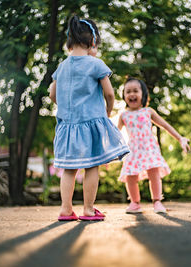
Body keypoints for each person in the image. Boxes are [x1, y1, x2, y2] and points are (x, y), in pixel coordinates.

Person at [49, 15, 129, 221]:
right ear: (92, 42)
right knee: (92, 165)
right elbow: (109, 93)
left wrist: (67, 108)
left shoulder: (62, 66)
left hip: (67, 125)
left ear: (70, 41)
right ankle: (88, 209)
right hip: (90, 124)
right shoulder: (95, 64)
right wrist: (108, 112)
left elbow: (52, 94)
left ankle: (65, 209)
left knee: (68, 169)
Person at [117, 77, 190, 214]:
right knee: (130, 176)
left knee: (154, 174)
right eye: (128, 92)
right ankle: (134, 202)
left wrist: (180, 138)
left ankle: (157, 201)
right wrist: (107, 151)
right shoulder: (123, 115)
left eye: (135, 91)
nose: (132, 94)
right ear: (124, 96)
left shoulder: (148, 111)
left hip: (149, 148)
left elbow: (165, 126)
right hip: (132, 151)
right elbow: (115, 134)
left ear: (143, 94)